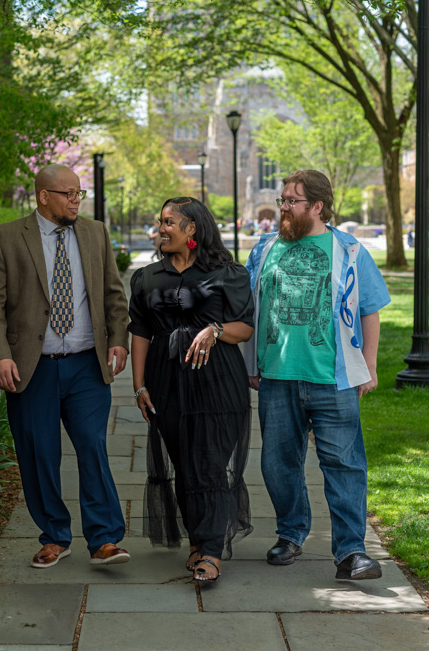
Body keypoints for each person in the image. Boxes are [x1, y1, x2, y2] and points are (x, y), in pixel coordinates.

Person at [0, 164, 131, 570]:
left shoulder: (95, 233)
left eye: (79, 192)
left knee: (93, 447)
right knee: (38, 453)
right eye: (68, 193)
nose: (76, 200)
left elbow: (114, 294)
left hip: (85, 364)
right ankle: (54, 536)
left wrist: (119, 339)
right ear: (44, 196)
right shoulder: (7, 238)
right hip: (33, 367)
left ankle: (104, 539)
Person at [242, 169, 391, 581]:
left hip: (334, 377)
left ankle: (351, 552)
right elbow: (250, 307)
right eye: (283, 199)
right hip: (276, 376)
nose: (283, 207)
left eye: (292, 201)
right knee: (278, 465)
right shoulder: (265, 248)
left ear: (318, 206)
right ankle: (291, 534)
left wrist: (370, 366)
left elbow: (370, 309)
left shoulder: (350, 251)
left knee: (344, 465)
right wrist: (250, 361)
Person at [128, 197, 255, 583]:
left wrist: (215, 330)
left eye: (168, 222)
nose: (160, 228)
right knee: (185, 466)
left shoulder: (229, 274)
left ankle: (212, 550)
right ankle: (198, 541)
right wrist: (138, 386)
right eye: (160, 221)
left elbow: (244, 327)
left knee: (211, 466)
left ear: (192, 229)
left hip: (218, 382)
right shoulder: (147, 277)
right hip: (167, 383)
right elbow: (140, 331)